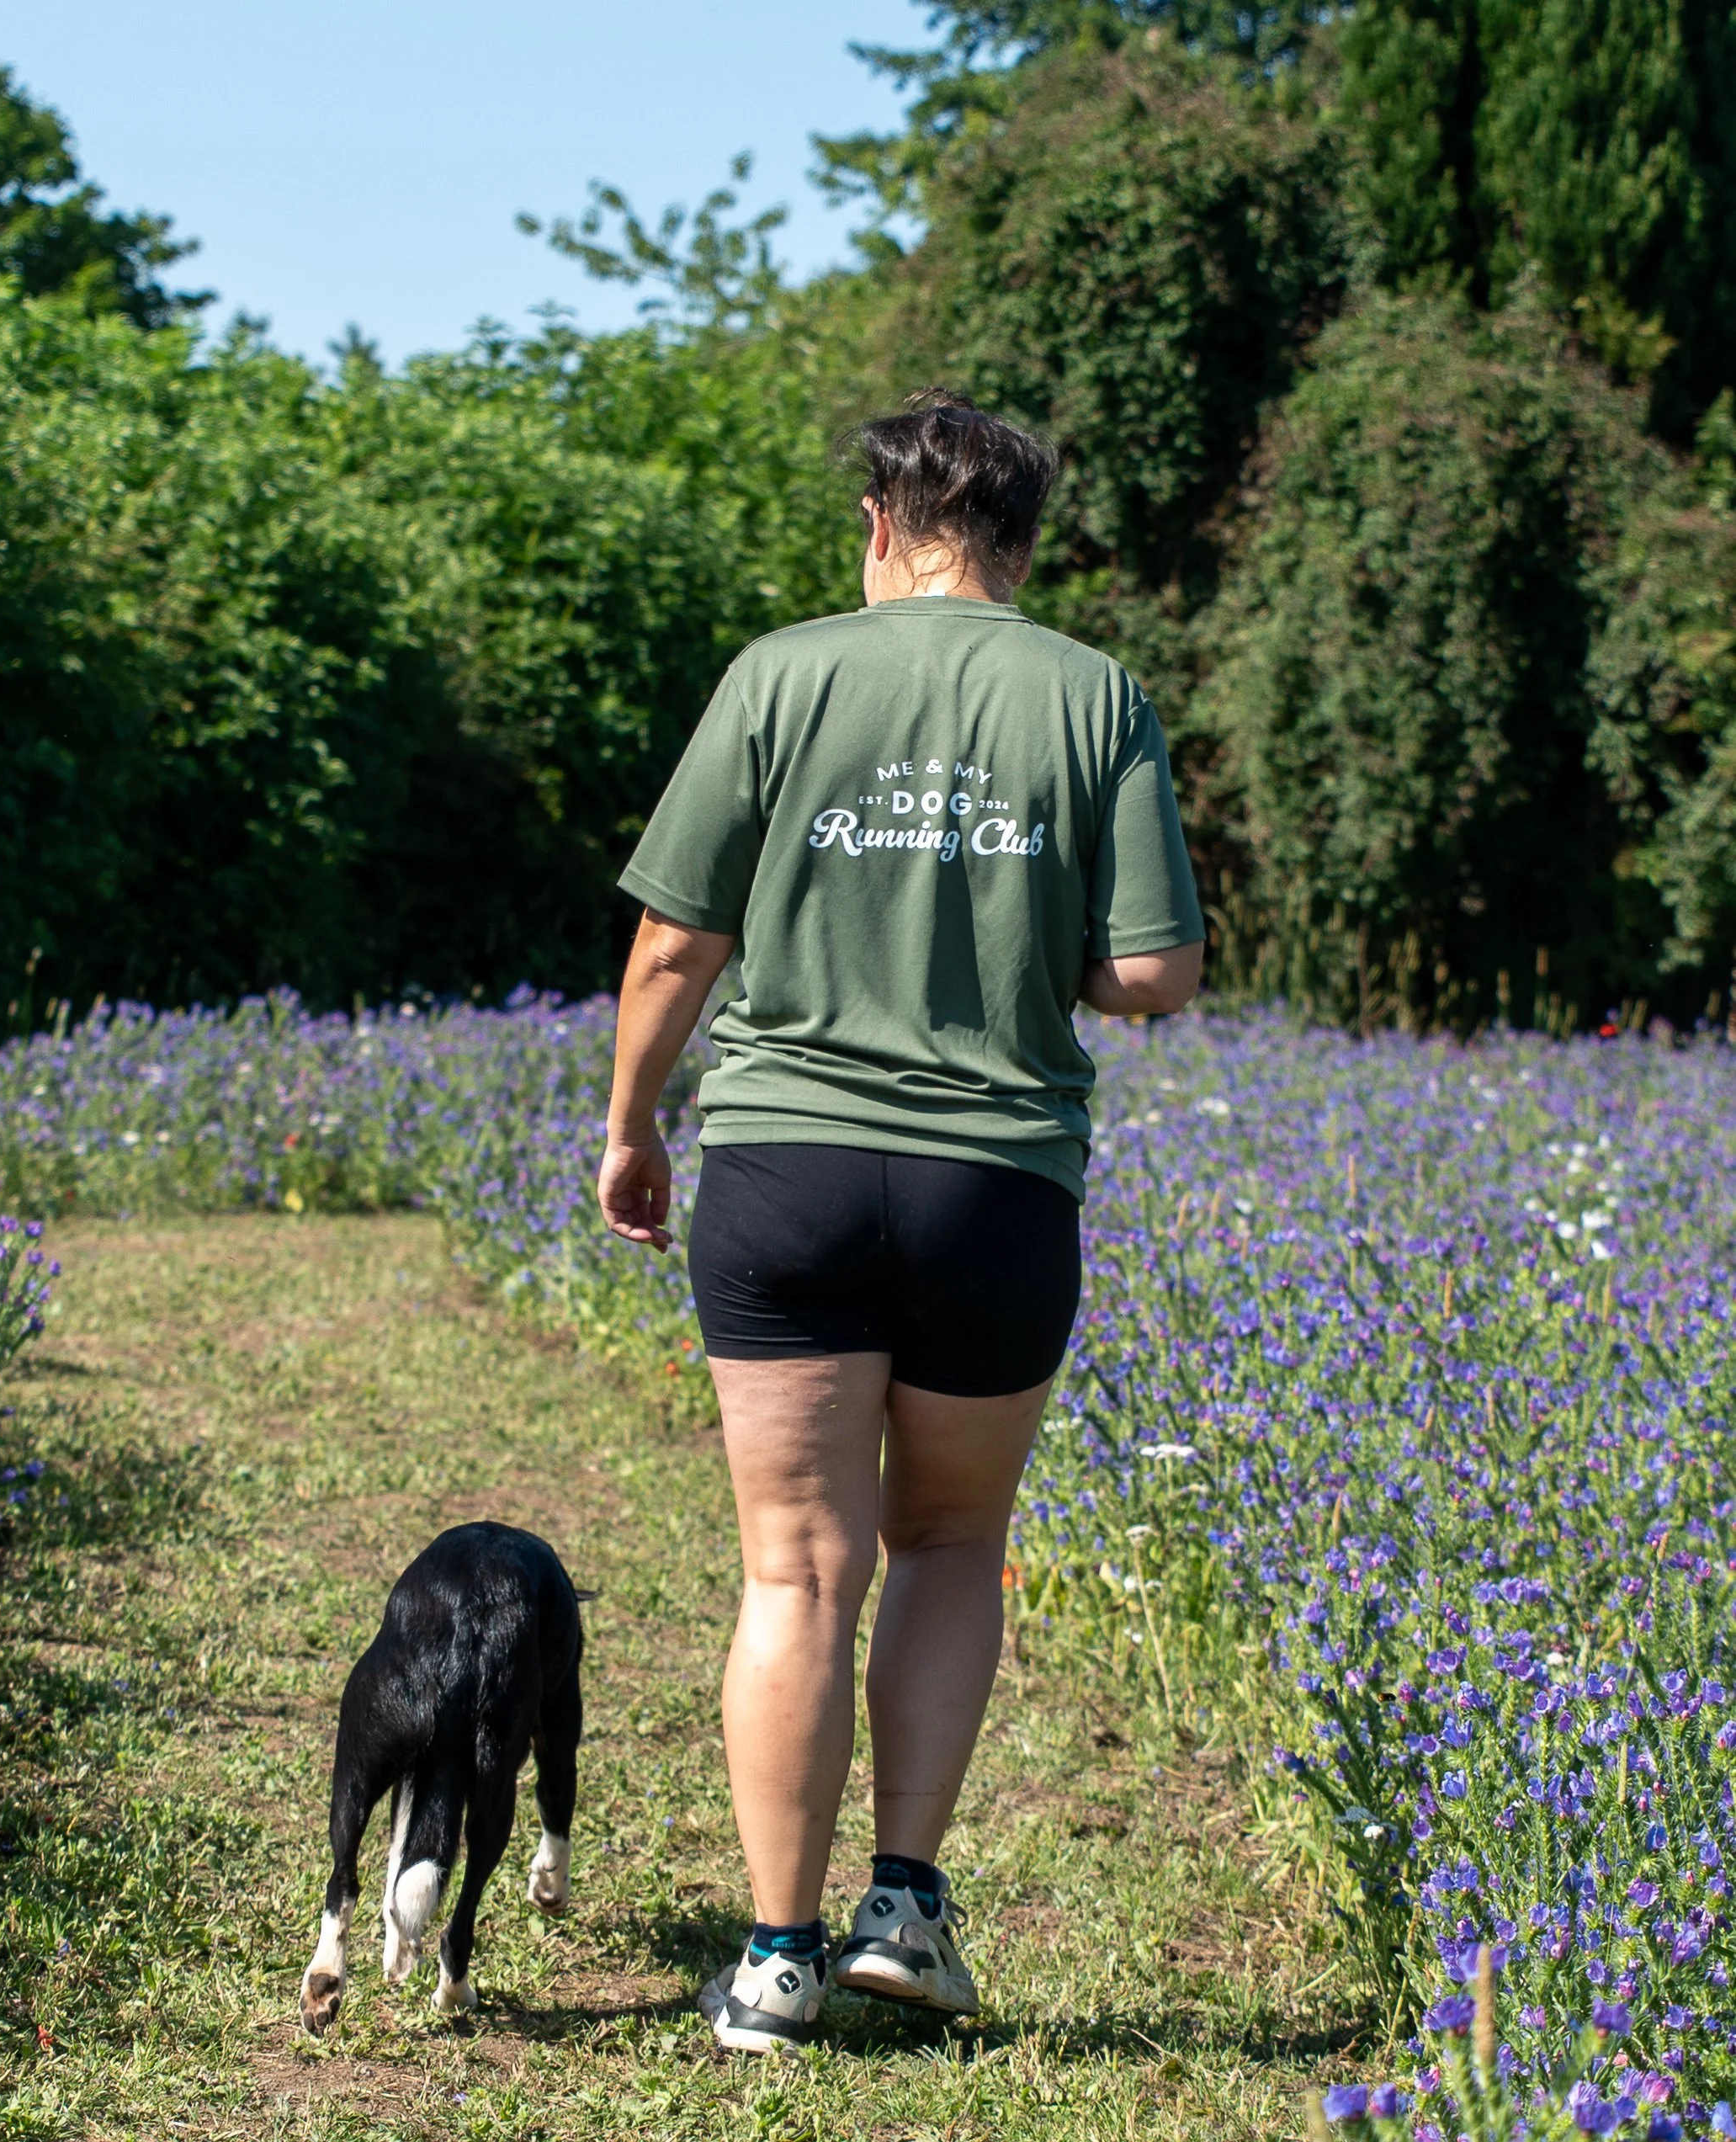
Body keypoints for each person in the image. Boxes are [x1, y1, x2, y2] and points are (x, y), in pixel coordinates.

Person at [595, 391, 1203, 2055]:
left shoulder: (778, 676)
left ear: (881, 524)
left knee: (795, 1566)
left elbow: (671, 945)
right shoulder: (1096, 696)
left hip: (785, 1166)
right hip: (995, 1188)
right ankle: (907, 1911)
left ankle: (776, 1960)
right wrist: (1031, 945)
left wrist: (633, 1125)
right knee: (948, 1544)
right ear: (1019, 536)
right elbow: (1150, 972)